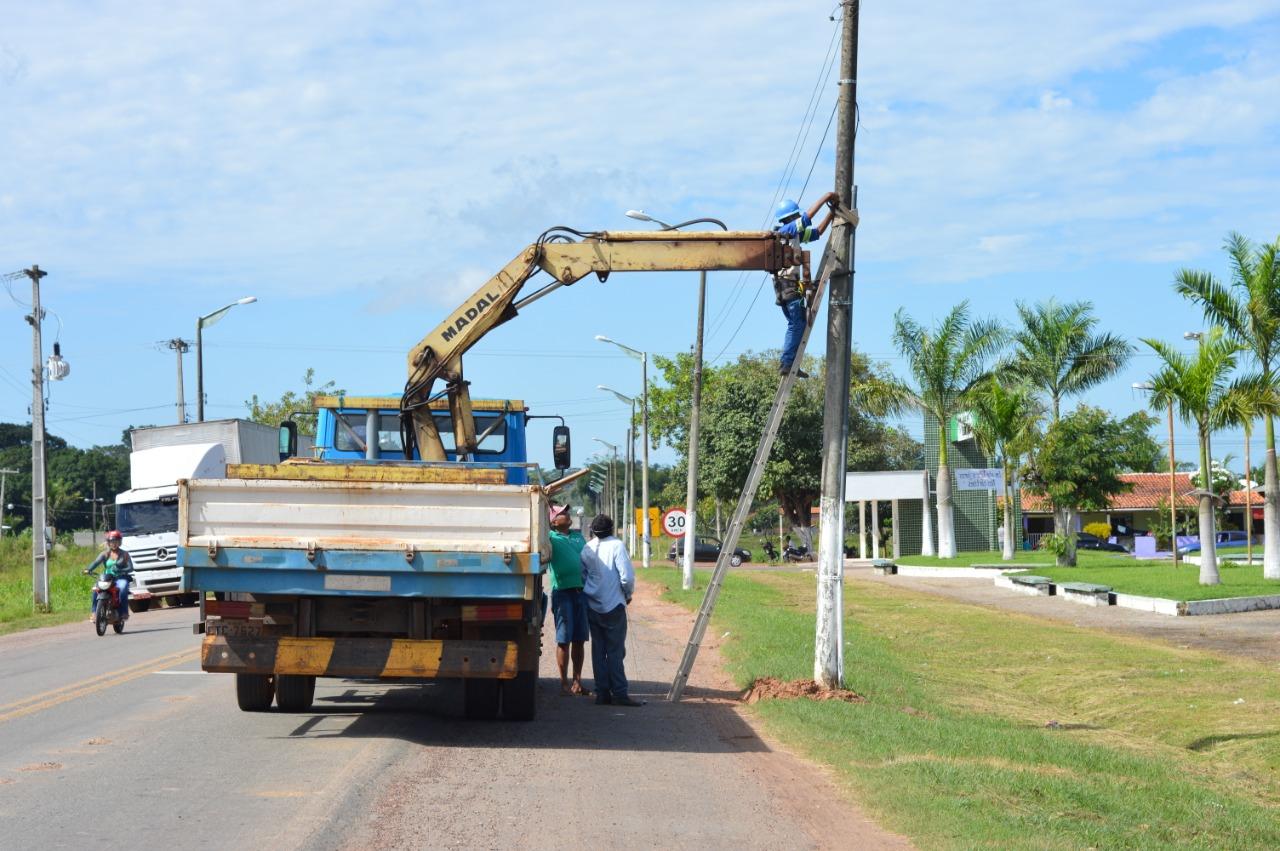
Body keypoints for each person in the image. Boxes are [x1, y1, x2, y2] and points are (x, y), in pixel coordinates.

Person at [580, 513, 642, 707]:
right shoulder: (617, 545)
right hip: (614, 604)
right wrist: (628, 594)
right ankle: (620, 693)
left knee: (598, 650)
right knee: (615, 651)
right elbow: (627, 577)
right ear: (612, 528)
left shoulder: (587, 548)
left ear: (593, 531)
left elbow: (583, 576)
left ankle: (602, 693)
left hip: (593, 605)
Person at [773, 194, 837, 378]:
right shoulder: (787, 229)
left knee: (798, 324)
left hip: (784, 286)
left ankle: (791, 363)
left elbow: (817, 232)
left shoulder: (792, 234)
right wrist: (827, 197)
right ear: (790, 217)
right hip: (787, 285)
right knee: (796, 324)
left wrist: (831, 214)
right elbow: (807, 217)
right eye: (795, 216)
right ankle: (786, 363)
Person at [547, 503, 591, 696]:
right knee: (564, 640)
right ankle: (564, 683)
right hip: (563, 593)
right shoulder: (550, 538)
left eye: (566, 511)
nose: (566, 514)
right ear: (553, 522)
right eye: (561, 513)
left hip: (582, 593)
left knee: (579, 639)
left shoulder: (577, 536)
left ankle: (577, 681)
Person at [85, 530, 133, 621]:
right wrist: (88, 569)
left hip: (120, 578)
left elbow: (130, 568)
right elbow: (96, 563)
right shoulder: (105, 554)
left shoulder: (125, 554)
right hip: (107, 578)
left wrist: (120, 570)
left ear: (120, 542)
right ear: (108, 543)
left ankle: (124, 612)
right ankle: (94, 613)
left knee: (122, 589)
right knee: (95, 589)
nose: (114, 544)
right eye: (112, 542)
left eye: (116, 541)